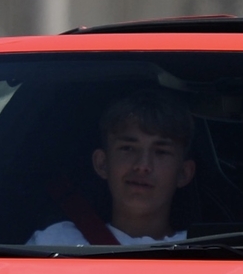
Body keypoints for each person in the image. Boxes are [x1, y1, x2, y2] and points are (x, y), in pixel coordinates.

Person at [28, 90, 196, 246]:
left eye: (161, 152)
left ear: (183, 173)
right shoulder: (55, 243)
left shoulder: (205, 251)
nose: (143, 166)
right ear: (102, 164)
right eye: (128, 148)